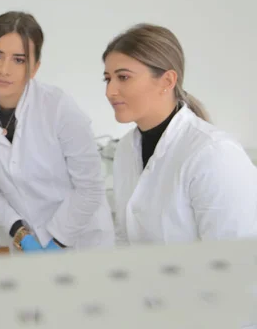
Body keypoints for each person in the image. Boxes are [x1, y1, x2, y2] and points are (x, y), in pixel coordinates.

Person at [0, 11, 115, 253]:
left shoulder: (59, 108)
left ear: (34, 68)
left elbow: (90, 187)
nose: (4, 69)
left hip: (83, 244)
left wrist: (57, 242)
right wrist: (20, 233)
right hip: (27, 246)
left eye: (19, 60)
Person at [103, 23, 257, 245]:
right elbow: (124, 239)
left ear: (167, 81)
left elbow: (237, 261)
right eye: (107, 79)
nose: (110, 91)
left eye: (123, 77)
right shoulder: (126, 149)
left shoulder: (214, 153)